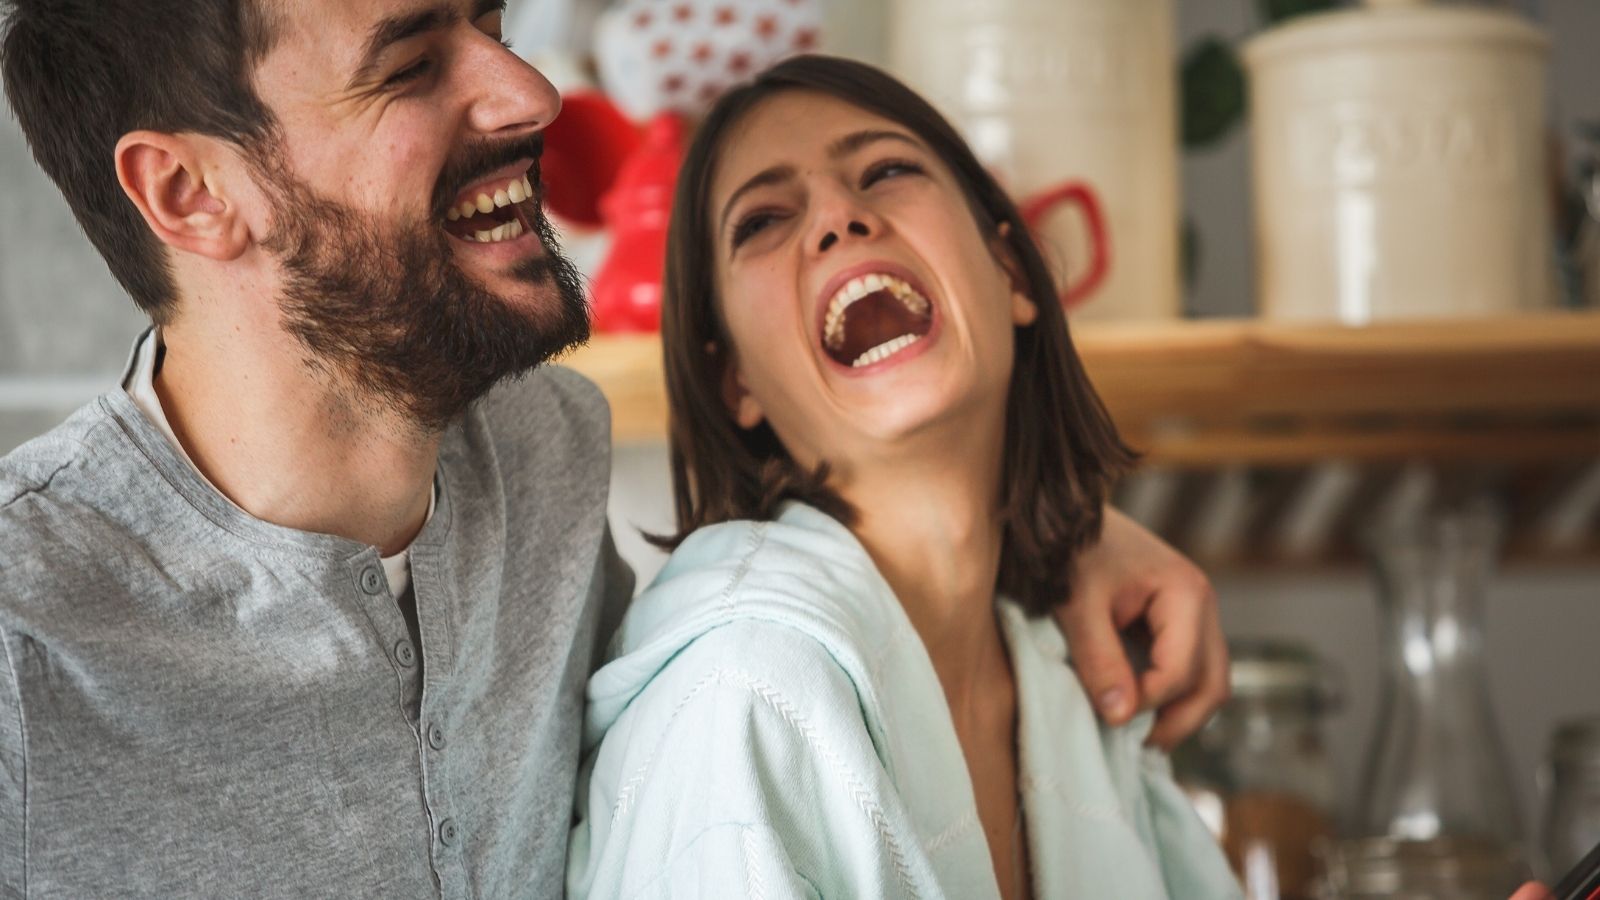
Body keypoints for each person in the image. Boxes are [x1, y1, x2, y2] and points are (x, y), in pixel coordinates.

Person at [0, 2, 1228, 896]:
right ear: (191, 195)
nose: (528, 93)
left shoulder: (541, 453)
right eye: (414, 62)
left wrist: (1057, 533)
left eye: (490, 21)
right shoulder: (24, 639)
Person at [566, 54, 1242, 900]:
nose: (840, 217)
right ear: (734, 379)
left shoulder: (1080, 701)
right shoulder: (737, 701)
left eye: (885, 171)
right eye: (764, 220)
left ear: (1013, 274)